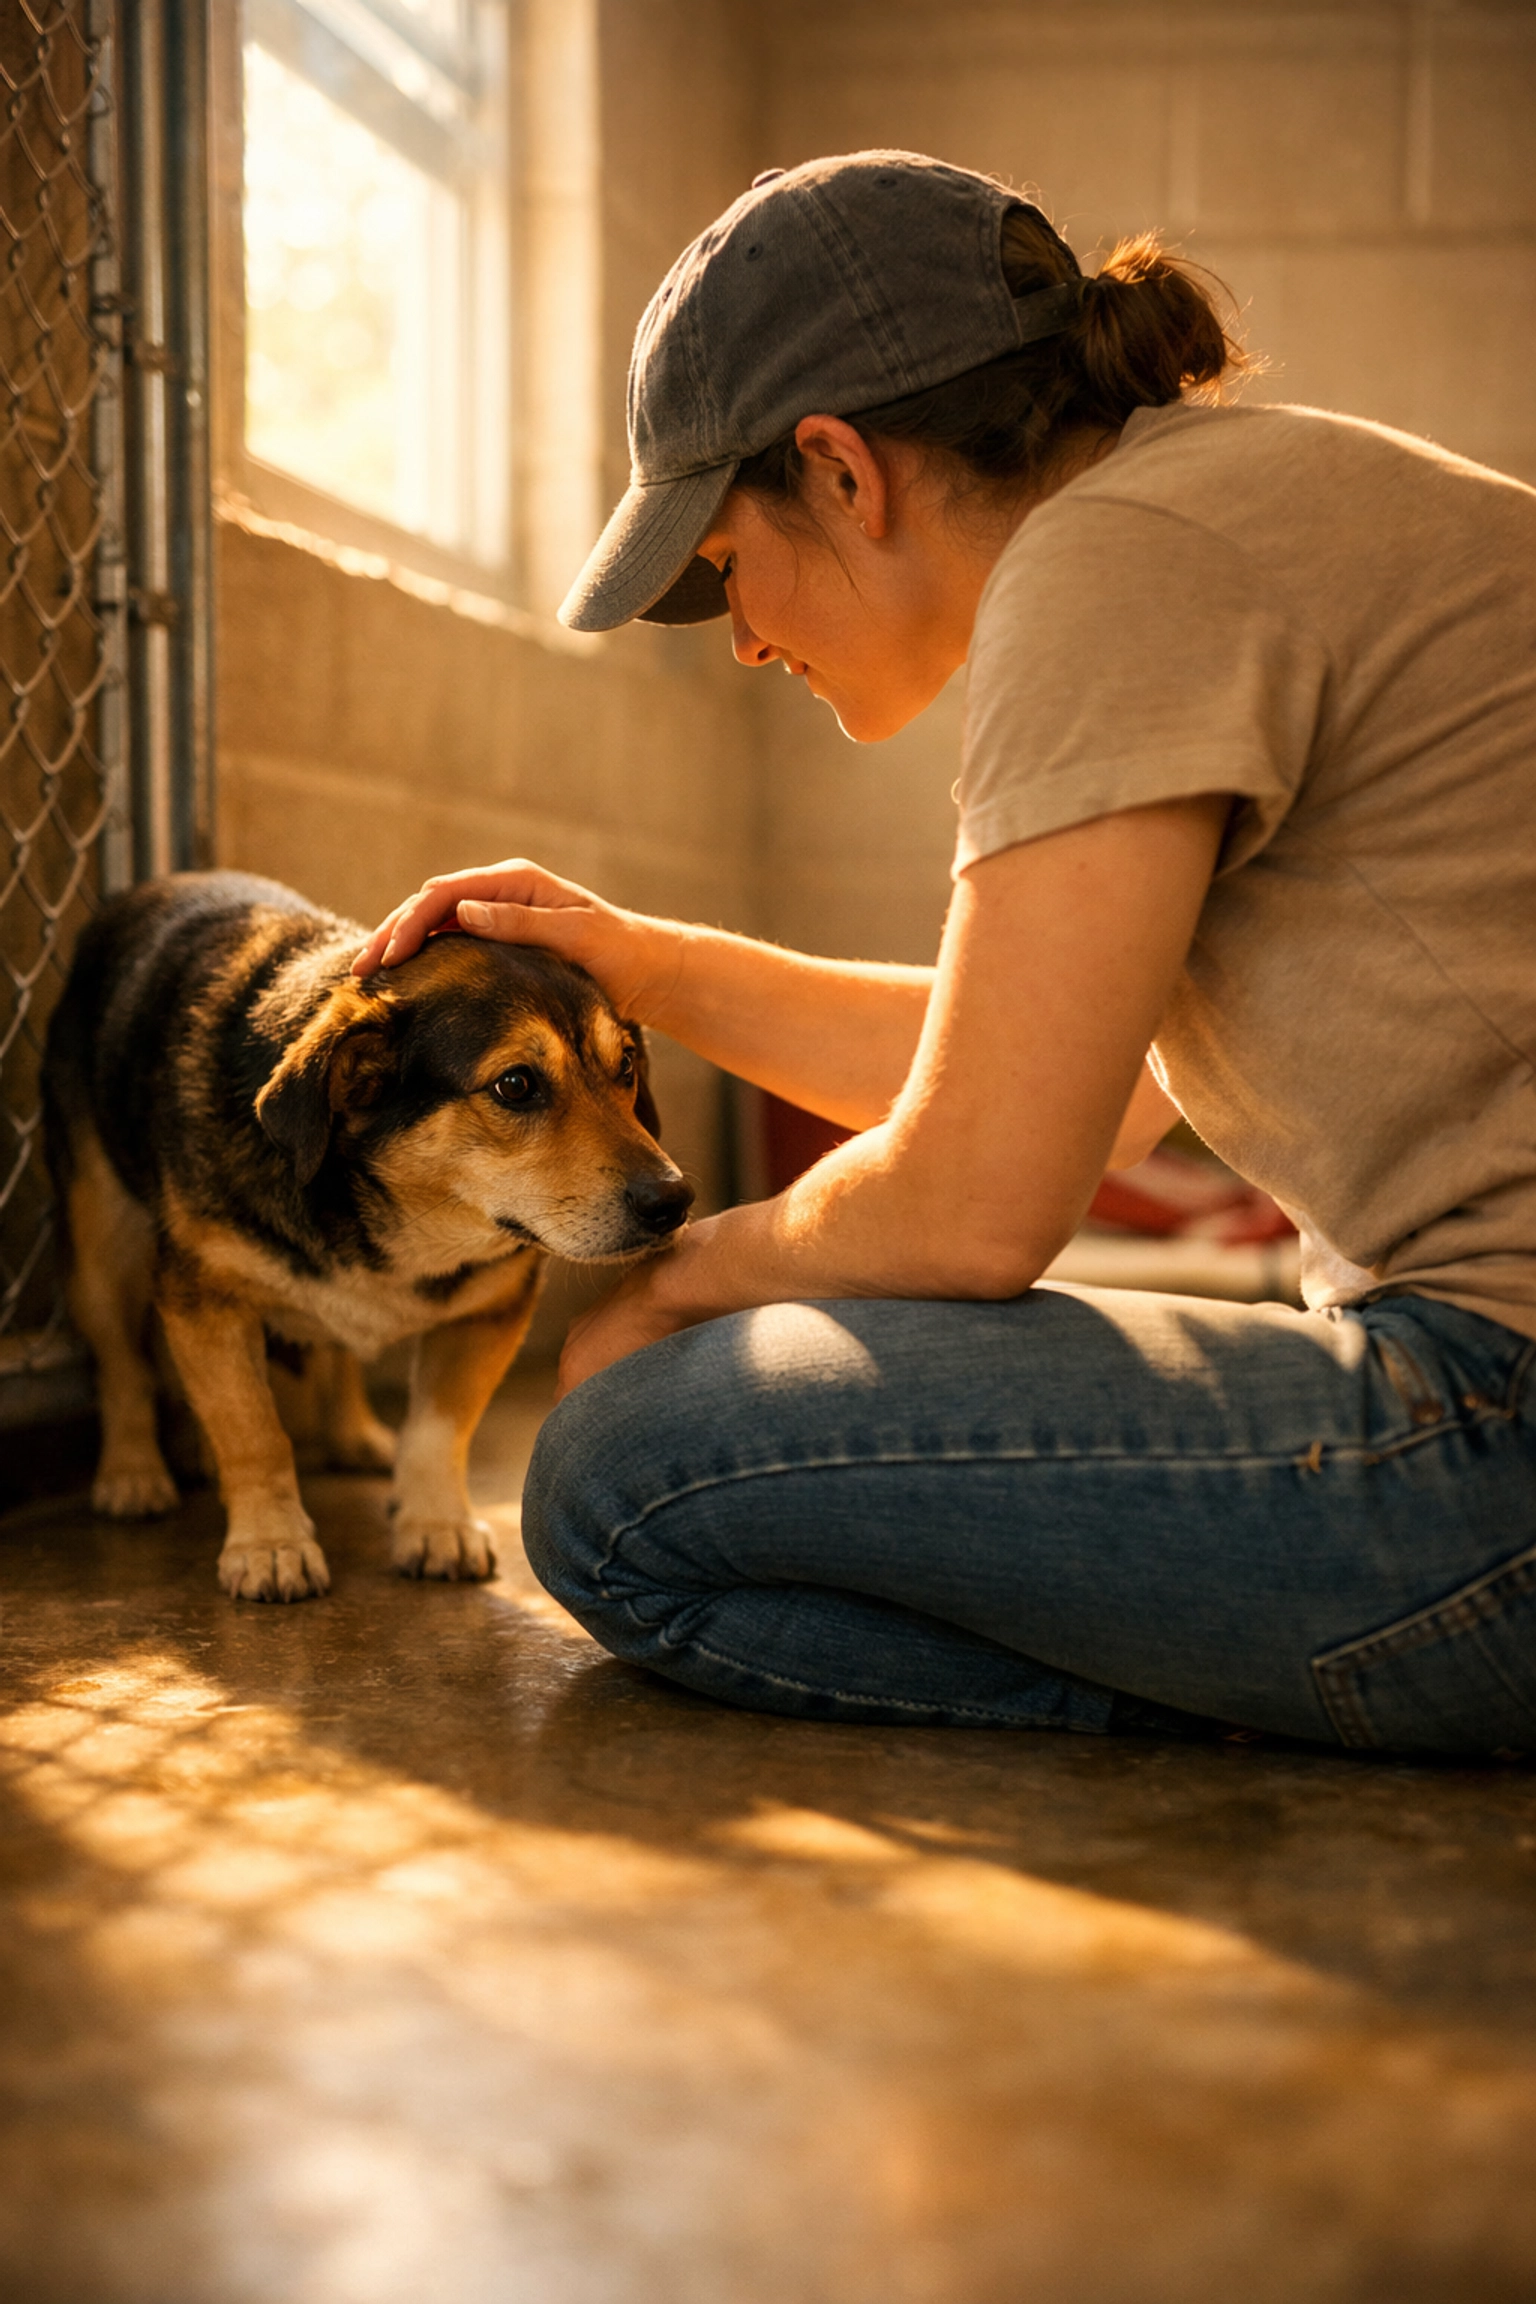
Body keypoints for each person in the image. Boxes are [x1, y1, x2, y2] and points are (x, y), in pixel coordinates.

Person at [354, 151, 1536, 1755]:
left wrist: (674, 1278)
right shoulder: (1223, 503)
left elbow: (976, 1204)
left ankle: (1276, 1687)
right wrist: (648, 965)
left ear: (841, 470)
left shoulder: (1115, 568)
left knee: (623, 1479)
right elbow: (1073, 1083)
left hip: (1498, 1440)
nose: (752, 638)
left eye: (726, 570)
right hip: (1484, 1391)